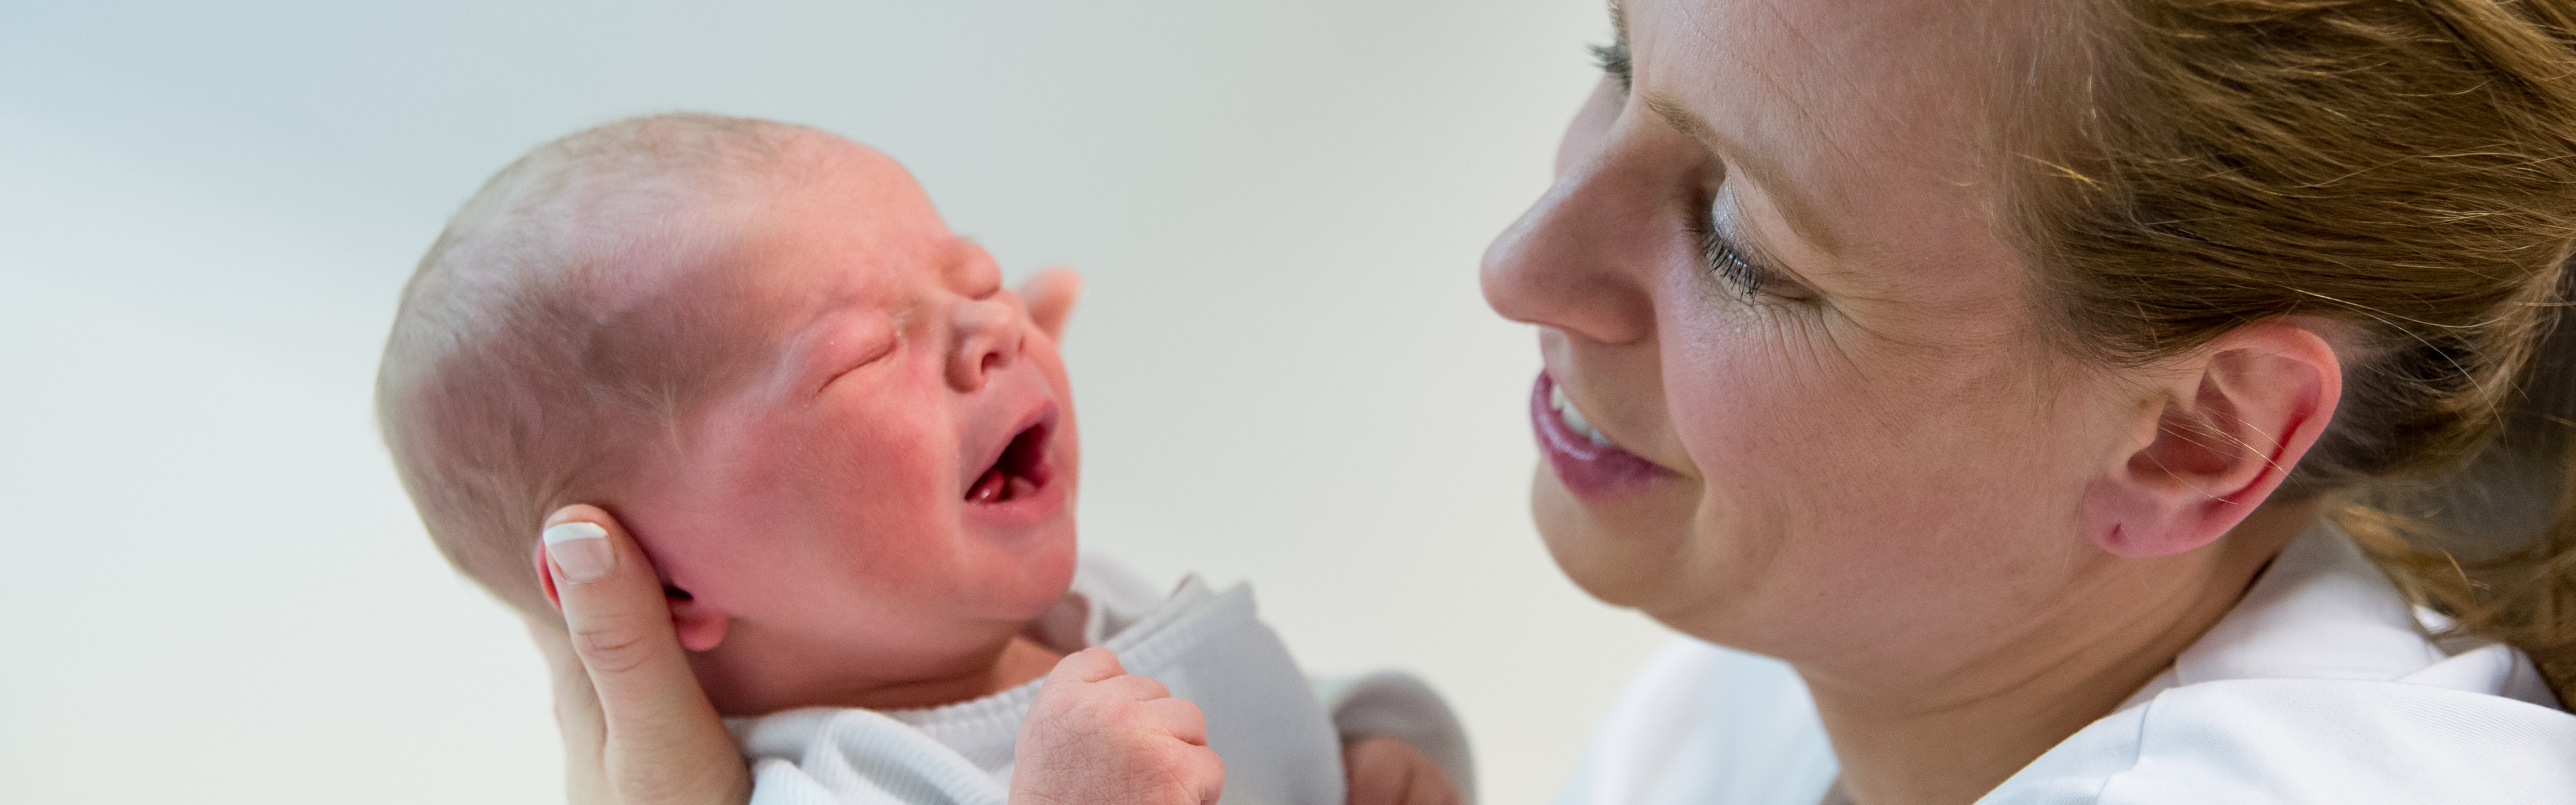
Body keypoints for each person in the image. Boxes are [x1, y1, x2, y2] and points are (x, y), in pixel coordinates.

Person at [532, 0, 2576, 802]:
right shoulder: (1741, 716)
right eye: (1613, 63)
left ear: (2190, 436)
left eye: (1741, 234)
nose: (1517, 261)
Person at [374, 114, 1470, 805]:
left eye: (975, 278)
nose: (992, 327)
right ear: (665, 585)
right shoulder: (828, 783)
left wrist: (1373, 744)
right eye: (862, 353)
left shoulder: (1084, 611)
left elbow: (1282, 710)